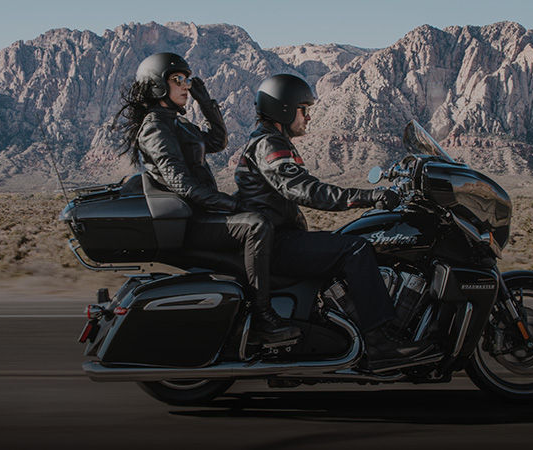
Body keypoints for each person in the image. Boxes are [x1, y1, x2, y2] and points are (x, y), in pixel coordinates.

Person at [234, 74, 429, 368]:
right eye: (303, 109)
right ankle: (379, 343)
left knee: (346, 240)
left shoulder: (269, 140)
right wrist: (367, 197)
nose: (308, 117)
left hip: (276, 237)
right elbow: (304, 190)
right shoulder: (269, 144)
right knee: (356, 249)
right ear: (284, 109)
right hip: (276, 242)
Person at [114, 53, 300, 344]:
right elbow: (181, 184)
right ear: (157, 85)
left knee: (265, 207)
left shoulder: (176, 122)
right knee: (256, 225)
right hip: (191, 218)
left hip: (200, 210)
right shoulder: (155, 127)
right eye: (177, 79)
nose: (185, 85)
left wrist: (205, 103)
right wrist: (231, 204)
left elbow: (217, 141)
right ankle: (263, 317)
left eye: (187, 79)